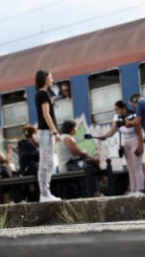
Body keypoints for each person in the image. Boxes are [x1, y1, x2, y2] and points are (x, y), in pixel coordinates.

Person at [97, 100, 144, 195]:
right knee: (130, 168)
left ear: (123, 108)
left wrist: (140, 146)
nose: (116, 111)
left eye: (117, 109)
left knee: (136, 167)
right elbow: (113, 130)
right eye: (115, 110)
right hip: (125, 143)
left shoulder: (133, 116)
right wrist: (105, 136)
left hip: (135, 141)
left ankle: (140, 189)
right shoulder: (116, 117)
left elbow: (139, 132)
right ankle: (133, 190)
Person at [56, 119, 103, 197]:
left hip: (68, 165)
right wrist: (90, 158)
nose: (77, 129)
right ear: (72, 128)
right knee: (89, 168)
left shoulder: (62, 137)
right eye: (76, 127)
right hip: (68, 166)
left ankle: (96, 189)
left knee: (90, 166)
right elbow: (76, 152)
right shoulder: (67, 138)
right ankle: (95, 192)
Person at [35, 69, 61, 202]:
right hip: (46, 132)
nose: (52, 80)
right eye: (50, 77)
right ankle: (45, 194)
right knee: (46, 163)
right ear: (45, 79)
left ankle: (45, 193)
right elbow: (46, 114)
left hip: (45, 132)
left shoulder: (40, 94)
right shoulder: (43, 94)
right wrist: (55, 132)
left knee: (47, 162)